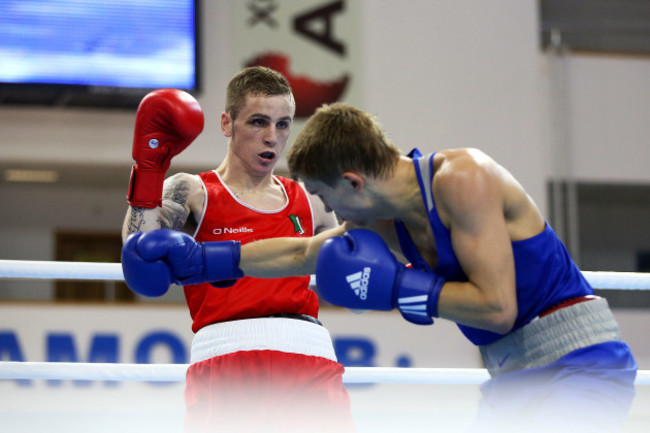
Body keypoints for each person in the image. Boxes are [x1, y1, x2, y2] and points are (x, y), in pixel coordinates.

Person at [123, 102, 638, 432]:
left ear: (353, 182)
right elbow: (304, 252)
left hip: (578, 360)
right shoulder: (387, 216)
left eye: (328, 198)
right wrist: (206, 260)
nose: (336, 216)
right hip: (511, 375)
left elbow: (498, 308)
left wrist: (397, 290)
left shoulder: (463, 178)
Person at [120, 68, 355, 433]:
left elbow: (349, 276)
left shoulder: (312, 199)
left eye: (283, 124)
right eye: (258, 122)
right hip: (226, 355)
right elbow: (139, 258)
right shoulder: (192, 191)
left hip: (310, 356)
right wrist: (149, 169)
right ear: (227, 123)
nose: (272, 138)